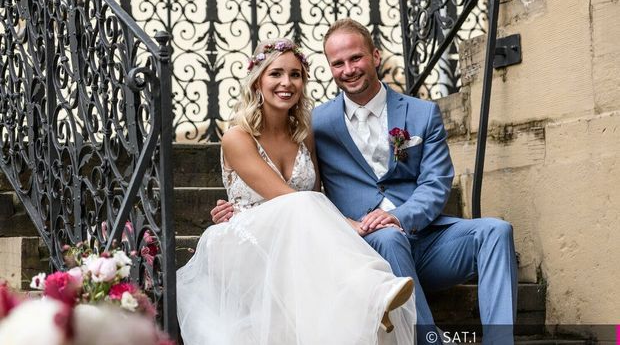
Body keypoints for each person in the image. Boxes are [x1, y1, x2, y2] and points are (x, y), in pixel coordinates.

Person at [211, 19, 518, 345]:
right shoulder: (318, 125)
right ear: (329, 68)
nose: (348, 69)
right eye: (338, 63)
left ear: (375, 56)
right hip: (364, 245)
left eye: (355, 58)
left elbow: (437, 183)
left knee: (496, 232)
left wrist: (399, 216)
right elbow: (292, 192)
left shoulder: (422, 114)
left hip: (424, 239)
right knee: (386, 238)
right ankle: (428, 340)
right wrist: (245, 211)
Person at [176, 38, 417, 345]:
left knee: (307, 231)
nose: (286, 83)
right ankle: (369, 289)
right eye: (275, 74)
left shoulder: (304, 136)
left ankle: (364, 307)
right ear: (257, 81)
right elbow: (286, 198)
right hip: (244, 241)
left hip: (296, 238)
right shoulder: (237, 136)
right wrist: (349, 226)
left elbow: (315, 199)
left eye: (295, 75)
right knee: (302, 208)